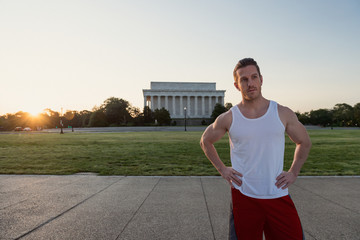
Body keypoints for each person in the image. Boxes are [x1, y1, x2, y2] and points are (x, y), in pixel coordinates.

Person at [200, 58, 311, 240]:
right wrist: (222, 169)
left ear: (261, 79)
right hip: (244, 196)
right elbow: (205, 141)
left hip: (277, 194)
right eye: (244, 79)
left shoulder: (282, 113)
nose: (250, 83)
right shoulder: (229, 117)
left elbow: (304, 142)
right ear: (237, 85)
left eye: (253, 77)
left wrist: (293, 172)